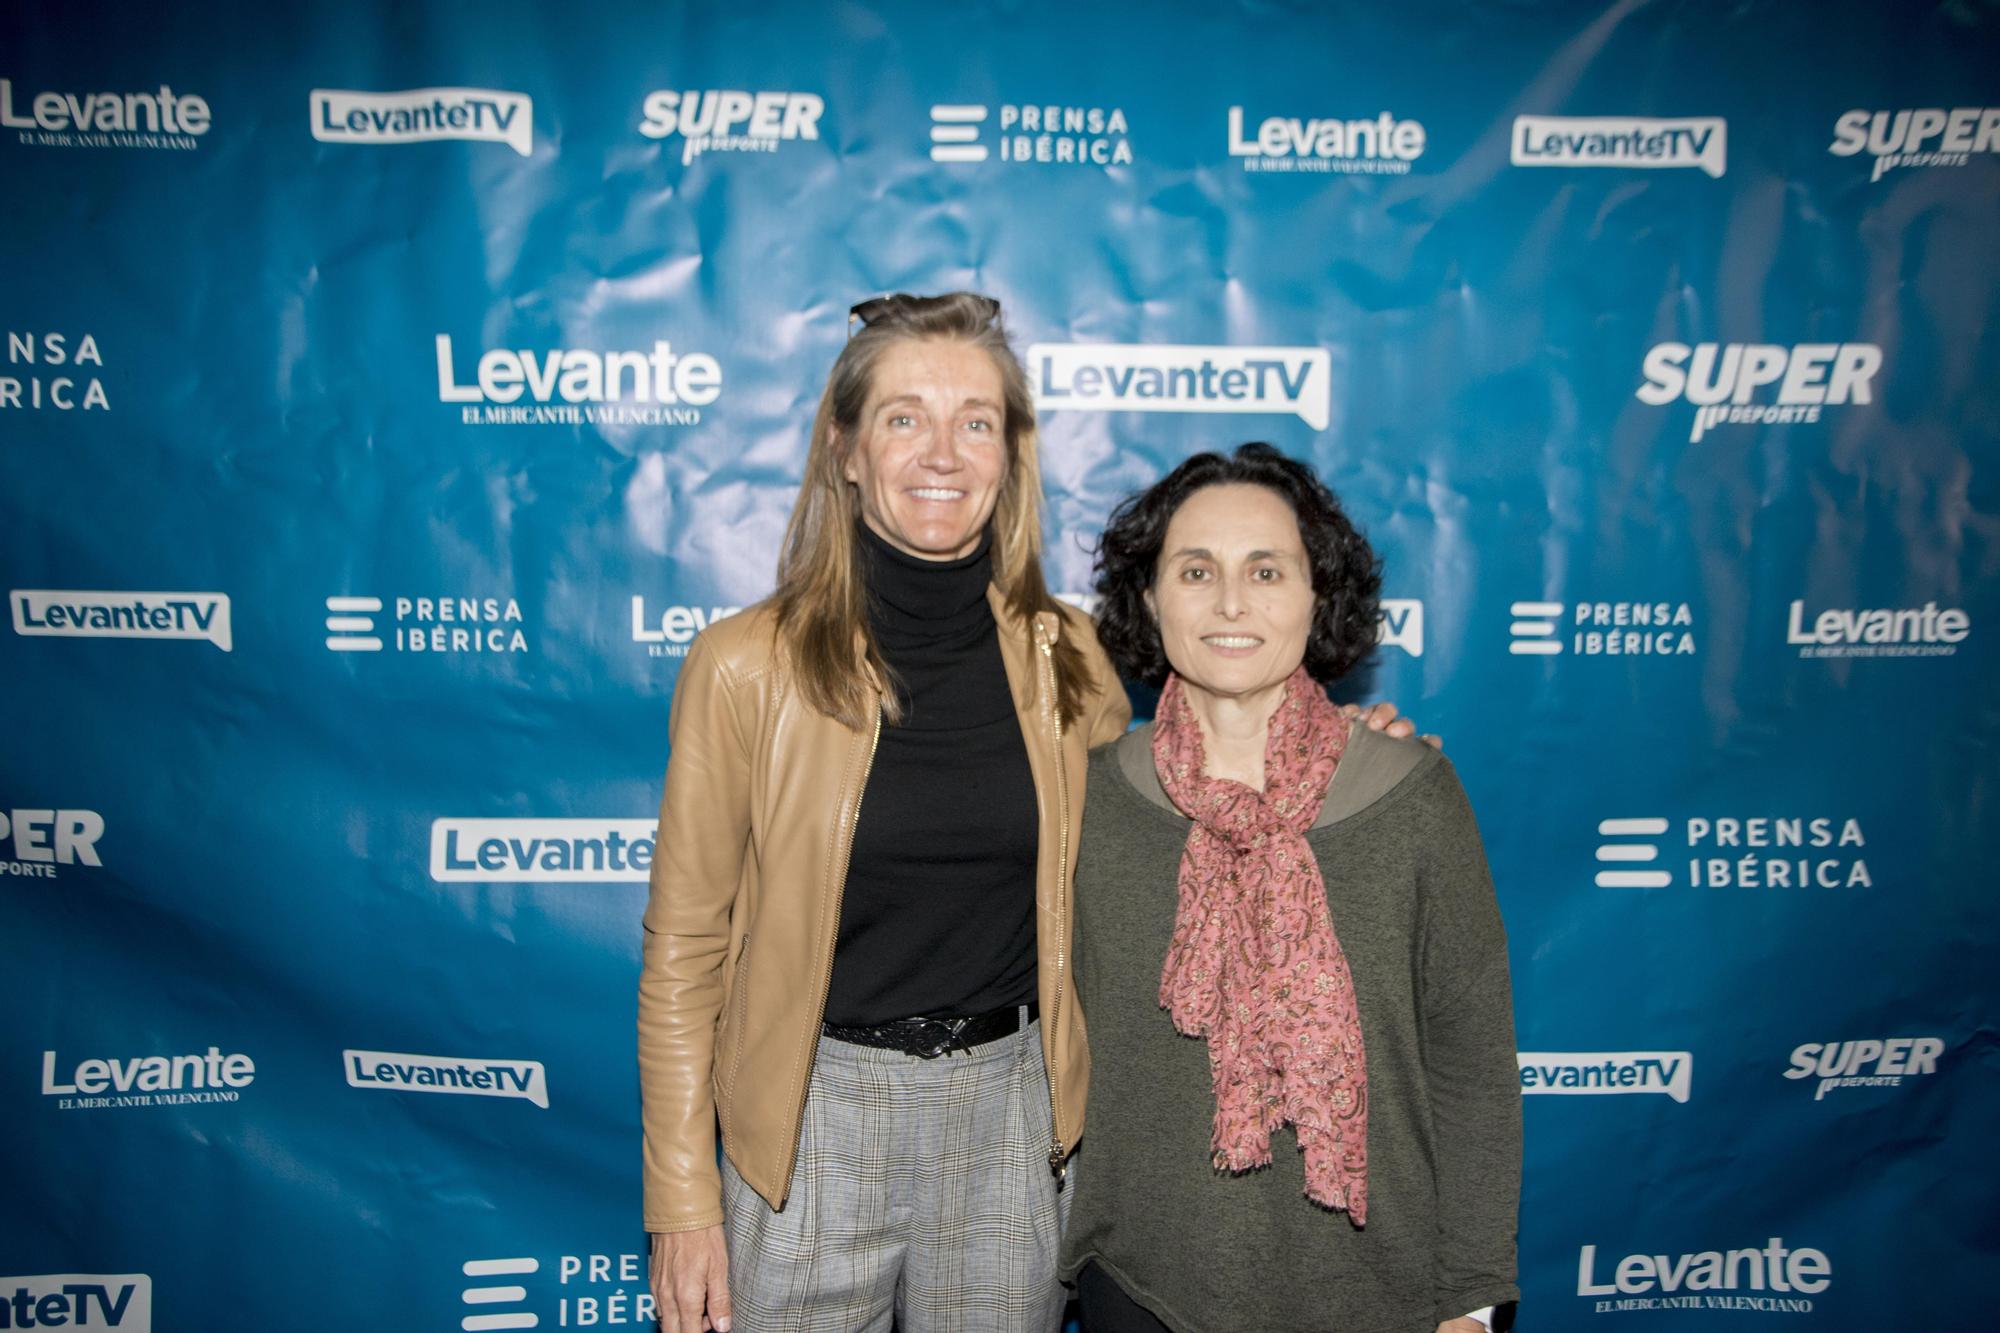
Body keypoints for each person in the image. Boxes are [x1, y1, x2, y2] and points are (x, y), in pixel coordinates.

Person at [639, 297, 1422, 1333]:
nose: (942, 452)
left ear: (1010, 454)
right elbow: (685, 952)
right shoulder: (742, 668)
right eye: (903, 416)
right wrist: (682, 1205)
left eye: (975, 421)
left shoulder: (1071, 657)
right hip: (804, 1130)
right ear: (843, 447)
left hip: (1012, 1125)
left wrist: (1345, 761)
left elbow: (1195, 806)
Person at [1060, 443, 1520, 1332]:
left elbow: (1472, 1069)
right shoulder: (1088, 803)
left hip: (1379, 1294)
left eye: (1266, 569)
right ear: (1149, 599)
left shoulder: (1411, 795)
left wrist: (1470, 1300)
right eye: (1196, 570)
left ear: (1320, 594)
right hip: (1145, 1287)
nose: (1231, 602)